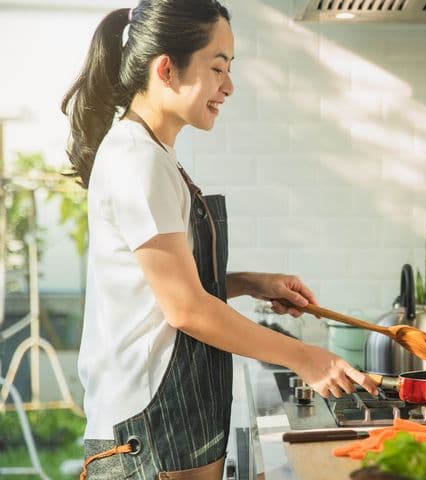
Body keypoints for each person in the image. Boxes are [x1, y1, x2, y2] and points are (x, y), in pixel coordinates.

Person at [61, 2, 378, 478]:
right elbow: (185, 309)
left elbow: (159, 290)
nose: (228, 87)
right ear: (166, 69)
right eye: (217, 68)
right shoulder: (136, 161)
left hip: (166, 430)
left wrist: (251, 283)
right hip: (148, 436)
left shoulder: (153, 155)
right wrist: (305, 358)